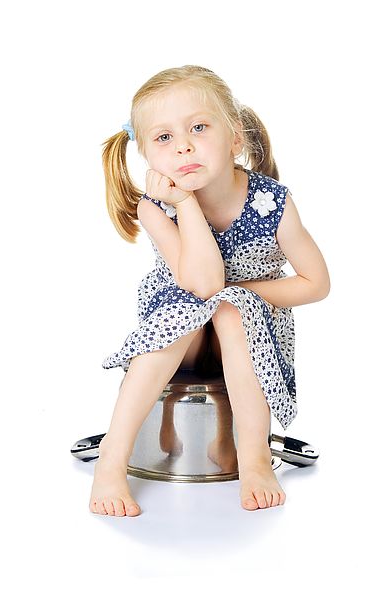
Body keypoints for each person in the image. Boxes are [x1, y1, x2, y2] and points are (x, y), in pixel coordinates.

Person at [89, 65, 330, 517]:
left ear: (235, 139)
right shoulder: (157, 207)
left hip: (249, 329)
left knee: (229, 312)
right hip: (182, 330)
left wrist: (243, 296)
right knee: (187, 312)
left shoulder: (271, 202)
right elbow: (201, 283)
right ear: (147, 158)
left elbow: (316, 284)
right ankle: (111, 461)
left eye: (199, 128)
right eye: (163, 138)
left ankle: (255, 459)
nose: (183, 145)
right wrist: (185, 204)